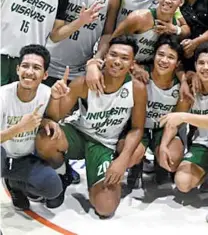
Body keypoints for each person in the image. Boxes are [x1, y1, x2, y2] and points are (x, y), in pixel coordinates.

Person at [35, 36, 147, 218]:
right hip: (78, 133)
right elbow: (54, 117)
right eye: (113, 55)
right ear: (105, 57)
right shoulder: (83, 83)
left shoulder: (137, 88)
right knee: (45, 138)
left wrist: (122, 161)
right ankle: (63, 173)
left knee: (105, 207)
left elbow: (137, 129)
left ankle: (98, 178)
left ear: (132, 63)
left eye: (124, 58)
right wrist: (56, 97)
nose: (117, 61)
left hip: (104, 144)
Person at [160, 42, 208, 224]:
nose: (205, 67)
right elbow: (173, 120)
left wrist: (184, 116)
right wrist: (163, 145)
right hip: (202, 143)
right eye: (201, 63)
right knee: (183, 183)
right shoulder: (191, 87)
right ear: (195, 66)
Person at [1, 45, 63, 211]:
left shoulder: (47, 93)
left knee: (53, 188)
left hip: (25, 158)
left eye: (36, 67)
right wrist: (20, 127)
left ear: (45, 75)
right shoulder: (2, 96)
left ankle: (15, 183)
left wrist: (48, 121)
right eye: (25, 66)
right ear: (17, 69)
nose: (29, 71)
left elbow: (51, 120)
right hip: (2, 156)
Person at [125, 35, 190, 188]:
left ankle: (160, 163)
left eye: (171, 57)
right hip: (139, 128)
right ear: (153, 56)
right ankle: (137, 164)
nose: (164, 60)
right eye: (160, 54)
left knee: (171, 159)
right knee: (130, 156)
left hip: (164, 128)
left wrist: (164, 146)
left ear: (178, 64)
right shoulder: (140, 74)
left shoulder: (182, 87)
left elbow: (174, 123)